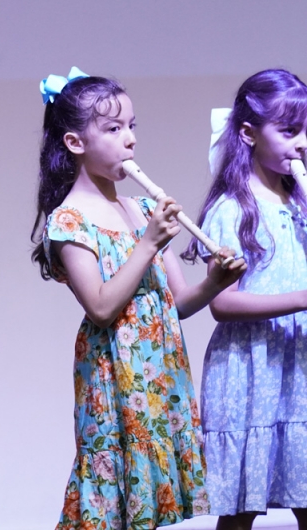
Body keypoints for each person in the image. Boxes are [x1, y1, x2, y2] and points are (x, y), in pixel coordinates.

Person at [30, 68, 246, 529]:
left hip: (161, 372)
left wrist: (214, 282)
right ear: (75, 143)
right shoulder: (68, 221)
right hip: (114, 374)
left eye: (131, 126)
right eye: (113, 129)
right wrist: (148, 242)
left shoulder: (143, 208)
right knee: (117, 487)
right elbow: (101, 307)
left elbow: (176, 303)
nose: (130, 139)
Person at [183, 68, 307, 530]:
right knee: (240, 513)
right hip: (251, 370)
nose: (302, 143)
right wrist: (302, 298)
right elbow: (223, 304)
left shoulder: (300, 204)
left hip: (299, 367)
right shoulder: (233, 207)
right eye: (289, 131)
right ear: (249, 133)